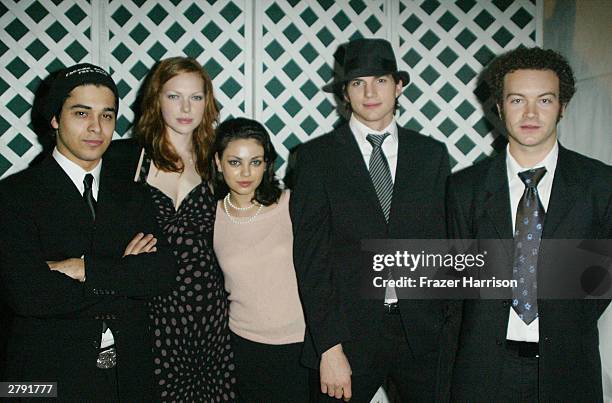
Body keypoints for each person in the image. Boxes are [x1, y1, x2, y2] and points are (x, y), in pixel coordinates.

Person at [0, 63, 176, 401]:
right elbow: (28, 295)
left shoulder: (135, 194)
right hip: (45, 378)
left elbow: (161, 275)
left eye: (107, 116)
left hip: (129, 375)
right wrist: (123, 272)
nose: (96, 127)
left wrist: (82, 269)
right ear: (54, 119)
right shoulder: (14, 196)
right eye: (82, 113)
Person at [290, 38, 452, 402]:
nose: (369, 92)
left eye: (380, 80)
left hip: (422, 337)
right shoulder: (315, 159)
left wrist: (446, 325)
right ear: (345, 93)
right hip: (347, 338)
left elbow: (444, 245)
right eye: (357, 82)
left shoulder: (431, 155)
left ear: (399, 86)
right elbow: (311, 260)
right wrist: (328, 348)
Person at [446, 47, 612, 402]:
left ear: (563, 106)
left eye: (545, 100)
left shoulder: (600, 185)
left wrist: (562, 317)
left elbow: (602, 284)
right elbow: (456, 288)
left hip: (569, 368)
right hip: (483, 371)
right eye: (518, 99)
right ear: (500, 106)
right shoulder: (463, 189)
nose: (531, 113)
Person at [130, 56, 237, 401]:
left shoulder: (217, 163)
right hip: (151, 314)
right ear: (156, 99)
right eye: (174, 96)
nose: (186, 107)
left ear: (207, 102)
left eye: (196, 97)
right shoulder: (129, 160)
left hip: (211, 316)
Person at [211, 117, 308, 402]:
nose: (245, 172)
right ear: (218, 162)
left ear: (267, 163)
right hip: (244, 347)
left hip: (302, 345)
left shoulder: (292, 204)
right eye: (234, 162)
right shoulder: (208, 216)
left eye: (255, 162)